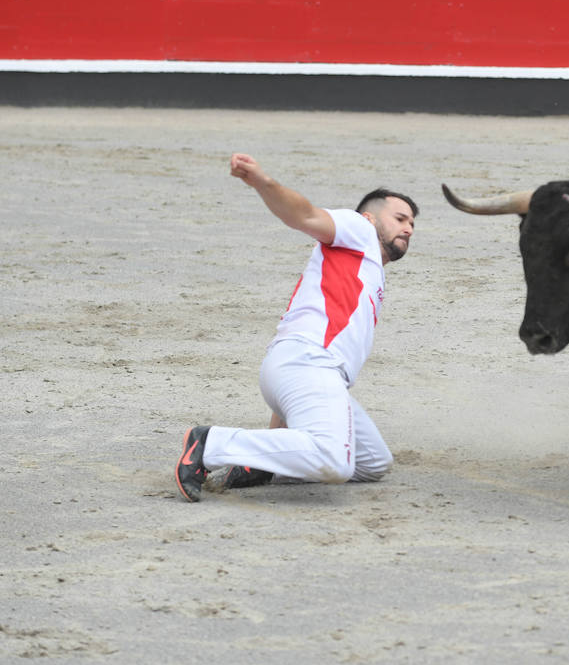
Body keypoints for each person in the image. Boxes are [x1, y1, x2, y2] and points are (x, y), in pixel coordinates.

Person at [175, 153, 417, 504]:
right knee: (335, 463)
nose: (408, 228)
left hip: (305, 372)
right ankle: (209, 443)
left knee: (373, 463)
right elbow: (304, 215)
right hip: (306, 363)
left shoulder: (365, 267)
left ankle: (258, 461)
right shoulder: (357, 229)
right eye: (399, 218)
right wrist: (263, 182)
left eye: (412, 223)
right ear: (369, 217)